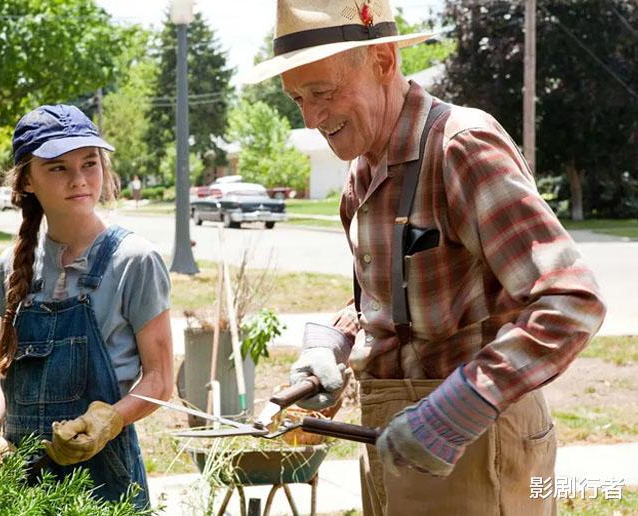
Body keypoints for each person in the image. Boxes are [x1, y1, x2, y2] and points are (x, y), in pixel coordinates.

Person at [245, 1, 606, 515]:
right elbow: (396, 298)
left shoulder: (459, 147)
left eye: (322, 92)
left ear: (384, 61)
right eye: (297, 98)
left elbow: (572, 301)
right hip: (393, 442)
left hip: (479, 446)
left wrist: (461, 407)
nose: (312, 117)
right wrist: (335, 342)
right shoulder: (361, 173)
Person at [0, 104, 173, 510]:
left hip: (104, 480)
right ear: (27, 180)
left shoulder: (134, 260)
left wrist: (108, 421)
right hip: (20, 475)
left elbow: (160, 381)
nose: (79, 180)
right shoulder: (11, 265)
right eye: (57, 167)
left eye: (89, 163)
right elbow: (5, 365)